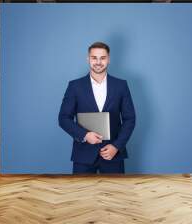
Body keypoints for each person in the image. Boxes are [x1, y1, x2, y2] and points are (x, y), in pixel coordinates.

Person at [58, 41, 136, 174]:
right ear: (88, 59)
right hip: (83, 155)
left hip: (113, 155)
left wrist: (116, 146)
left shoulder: (121, 85)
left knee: (116, 194)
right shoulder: (75, 86)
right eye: (94, 58)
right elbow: (63, 118)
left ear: (109, 59)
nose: (98, 62)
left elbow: (130, 119)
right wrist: (85, 135)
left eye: (102, 58)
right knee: (82, 194)